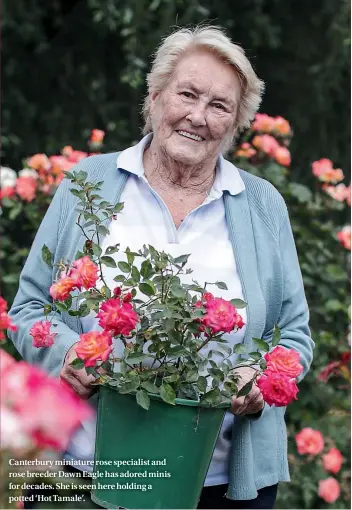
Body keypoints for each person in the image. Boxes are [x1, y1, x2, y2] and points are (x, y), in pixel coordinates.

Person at [9, 25, 314, 509]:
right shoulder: (87, 185)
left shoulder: (262, 205)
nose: (198, 116)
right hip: (83, 475)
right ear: (153, 98)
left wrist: (257, 376)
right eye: (186, 94)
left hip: (218, 487)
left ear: (236, 123)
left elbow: (294, 334)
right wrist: (68, 354)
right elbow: (29, 309)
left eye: (220, 105)